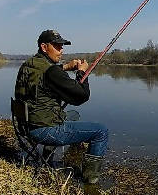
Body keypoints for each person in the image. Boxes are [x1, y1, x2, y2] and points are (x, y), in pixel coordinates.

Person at [14, 29, 108, 184]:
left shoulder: (28, 65)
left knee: (73, 115)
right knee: (100, 131)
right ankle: (91, 179)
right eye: (57, 46)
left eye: (62, 46)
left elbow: (48, 73)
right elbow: (81, 96)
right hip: (44, 131)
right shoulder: (52, 72)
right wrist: (81, 73)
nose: (61, 50)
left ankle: (47, 158)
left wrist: (65, 67)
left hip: (26, 126)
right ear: (44, 47)